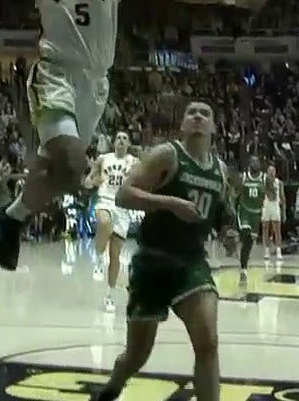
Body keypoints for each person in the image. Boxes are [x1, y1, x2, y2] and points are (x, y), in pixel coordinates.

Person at [0, 0, 265, 315]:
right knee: (70, 161)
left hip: (95, 86)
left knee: (61, 174)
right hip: (55, 75)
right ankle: (6, 229)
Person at [89, 102, 231, 401]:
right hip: (152, 261)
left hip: (191, 263)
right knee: (137, 355)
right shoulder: (167, 154)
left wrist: (228, 231)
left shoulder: (220, 169)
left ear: (213, 127)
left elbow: (220, 212)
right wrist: (170, 203)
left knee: (208, 342)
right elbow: (125, 195)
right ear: (182, 125)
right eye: (190, 112)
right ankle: (112, 387)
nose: (196, 116)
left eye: (205, 113)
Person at [84, 130, 135, 312]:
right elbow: (88, 181)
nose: (121, 140)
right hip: (104, 201)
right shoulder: (103, 159)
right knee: (104, 223)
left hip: (123, 208)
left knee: (115, 257)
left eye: (124, 138)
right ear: (113, 142)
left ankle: (109, 295)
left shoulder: (134, 163)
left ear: (128, 144)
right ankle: (98, 257)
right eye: (118, 137)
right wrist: (92, 181)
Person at [230, 158, 264, 285]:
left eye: (257, 161)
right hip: (245, 212)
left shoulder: (264, 179)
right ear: (249, 164)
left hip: (257, 214)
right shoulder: (243, 177)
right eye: (253, 161)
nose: (255, 163)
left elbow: (270, 194)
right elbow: (235, 193)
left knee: (248, 245)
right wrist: (232, 207)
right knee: (246, 234)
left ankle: (243, 267)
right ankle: (243, 269)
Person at [260, 164, 284, 260]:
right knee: (265, 229)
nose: (271, 172)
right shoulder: (263, 182)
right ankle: (266, 252)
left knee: (277, 230)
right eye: (269, 170)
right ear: (267, 172)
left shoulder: (279, 183)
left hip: (275, 205)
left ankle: (279, 252)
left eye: (273, 170)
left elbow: (282, 197)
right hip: (266, 204)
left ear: (275, 172)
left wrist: (284, 211)